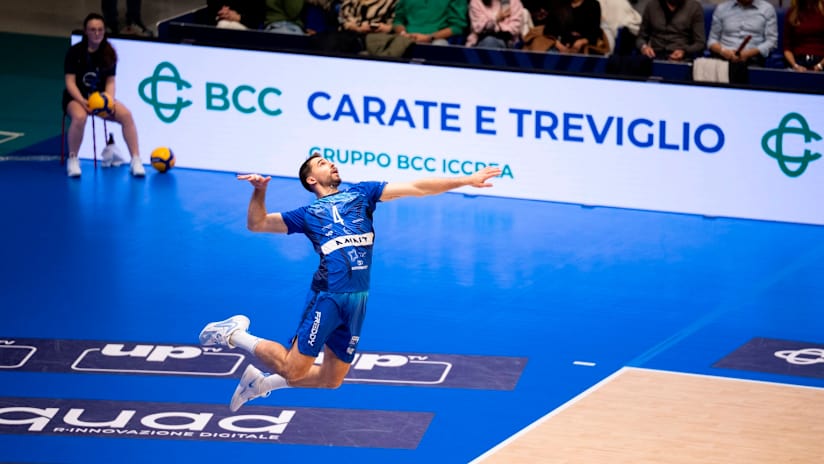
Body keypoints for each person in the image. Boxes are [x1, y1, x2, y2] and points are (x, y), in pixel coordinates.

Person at [199, 154, 502, 411]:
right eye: (321, 163)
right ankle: (234, 334)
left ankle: (262, 383)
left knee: (332, 379)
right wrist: (259, 191)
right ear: (310, 181)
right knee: (294, 368)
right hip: (329, 296)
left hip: (358, 298)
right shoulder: (307, 214)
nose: (330, 164)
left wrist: (465, 179)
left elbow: (417, 187)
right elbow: (257, 223)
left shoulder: (362, 193)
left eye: (330, 161)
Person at [63, 13, 145, 178]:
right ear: (86, 31)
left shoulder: (108, 52)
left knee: (127, 116)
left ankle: (135, 160)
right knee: (79, 118)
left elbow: (110, 82)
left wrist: (108, 99)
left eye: (100, 30)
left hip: (100, 101)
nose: (97, 33)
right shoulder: (75, 52)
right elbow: (70, 82)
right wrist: (82, 100)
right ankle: (73, 159)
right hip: (76, 99)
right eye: (93, 30)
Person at [707, 0, 778, 67]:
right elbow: (712, 40)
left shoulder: (767, 9)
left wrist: (748, 53)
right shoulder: (721, 9)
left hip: (752, 59)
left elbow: (772, 42)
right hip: (724, 58)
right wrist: (723, 51)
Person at [636, 0, 706, 61]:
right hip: (654, 55)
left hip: (683, 56)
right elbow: (641, 37)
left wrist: (685, 51)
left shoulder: (694, 7)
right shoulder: (651, 5)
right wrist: (644, 47)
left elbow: (700, 43)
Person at [392, 0, 468, 45]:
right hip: (405, 39)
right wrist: (403, 34)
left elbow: (457, 27)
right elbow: (398, 21)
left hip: (436, 39)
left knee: (438, 45)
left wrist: (429, 38)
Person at [782, 0, 824, 71]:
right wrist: (795, 66)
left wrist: (820, 66)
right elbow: (787, 48)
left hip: (821, 61)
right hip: (797, 62)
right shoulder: (792, 12)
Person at [200, 0, 266, 30]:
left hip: (247, 25)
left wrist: (239, 17)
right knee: (223, 24)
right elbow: (213, 9)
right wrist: (223, 13)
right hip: (219, 21)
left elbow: (256, 18)